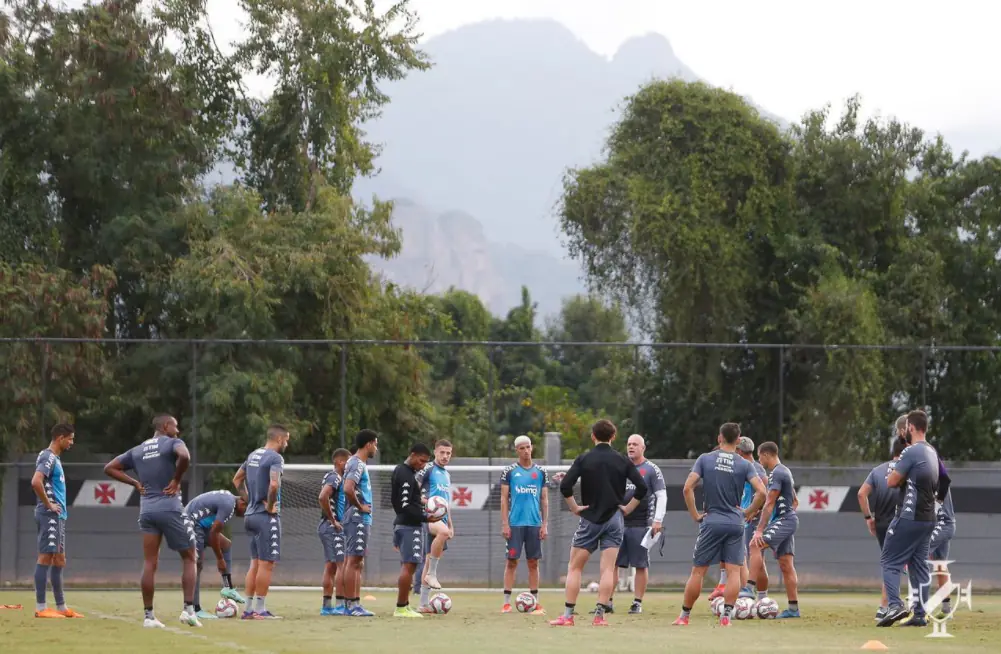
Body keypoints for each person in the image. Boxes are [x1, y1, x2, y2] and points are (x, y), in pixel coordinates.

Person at [549, 419, 648, 627]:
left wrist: (574, 507)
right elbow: (642, 487)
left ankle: (568, 615)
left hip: (590, 518)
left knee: (575, 567)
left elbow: (565, 485)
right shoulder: (622, 460)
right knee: (607, 569)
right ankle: (599, 616)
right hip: (615, 519)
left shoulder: (584, 459)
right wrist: (628, 508)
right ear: (613, 437)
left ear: (593, 436)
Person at [104, 414, 200, 628]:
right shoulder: (173, 442)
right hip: (170, 507)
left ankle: (148, 617)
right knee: (190, 556)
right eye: (175, 426)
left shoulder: (137, 450)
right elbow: (184, 456)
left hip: (147, 510)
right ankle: (189, 611)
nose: (178, 430)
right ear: (165, 426)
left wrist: (134, 483)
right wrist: (176, 479)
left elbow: (109, 467)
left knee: (150, 562)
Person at [673, 423, 766, 627]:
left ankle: (684, 616)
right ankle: (726, 617)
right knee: (734, 572)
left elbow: (688, 488)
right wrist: (747, 512)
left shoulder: (705, 459)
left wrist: (696, 514)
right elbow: (762, 492)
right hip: (735, 522)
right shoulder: (745, 464)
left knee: (698, 571)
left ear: (719, 438)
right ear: (739, 439)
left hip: (712, 520)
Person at [878, 409, 940, 627]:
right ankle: (920, 615)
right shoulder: (932, 451)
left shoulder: (911, 452)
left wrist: (896, 474)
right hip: (928, 518)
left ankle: (894, 605)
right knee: (919, 566)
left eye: (903, 429)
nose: (902, 432)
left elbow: (891, 481)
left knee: (889, 560)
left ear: (911, 428)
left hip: (909, 515)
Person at [232, 424, 289, 620]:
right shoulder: (275, 458)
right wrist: (270, 505)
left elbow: (237, 480)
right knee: (267, 564)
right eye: (286, 440)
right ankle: (260, 609)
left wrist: (250, 500)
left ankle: (248, 609)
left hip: (250, 516)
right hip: (266, 517)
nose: (287, 444)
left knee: (255, 564)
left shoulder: (253, 455)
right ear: (280, 439)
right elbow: (274, 484)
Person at [607, 434, 665, 615]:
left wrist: (658, 520)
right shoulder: (620, 466)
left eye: (635, 444)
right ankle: (607, 601)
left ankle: (637, 602)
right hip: (618, 522)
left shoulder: (651, 469)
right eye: (629, 444)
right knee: (612, 563)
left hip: (641, 523)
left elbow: (661, 495)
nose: (631, 447)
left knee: (640, 564)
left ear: (643, 448)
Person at [31, 424, 84, 619]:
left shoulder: (55, 459)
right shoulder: (48, 457)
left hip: (58, 517)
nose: (71, 443)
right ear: (60, 438)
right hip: (49, 515)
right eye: (70, 439)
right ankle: (40, 607)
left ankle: (61, 607)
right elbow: (36, 481)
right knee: (45, 557)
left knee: (60, 559)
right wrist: (49, 505)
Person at [858, 426, 907, 621]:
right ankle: (885, 605)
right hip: (902, 521)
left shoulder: (877, 471)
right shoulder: (907, 471)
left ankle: (889, 603)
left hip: (881, 523)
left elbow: (861, 494)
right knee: (897, 563)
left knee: (890, 562)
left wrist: (868, 518)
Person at [391, 443, 445, 618]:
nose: (422, 465)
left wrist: (422, 503)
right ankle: (400, 607)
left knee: (410, 565)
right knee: (409, 566)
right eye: (421, 461)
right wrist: (425, 517)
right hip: (408, 526)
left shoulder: (404, 472)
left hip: (404, 524)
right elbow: (405, 505)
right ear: (413, 455)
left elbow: (400, 502)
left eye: (425, 462)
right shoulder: (406, 474)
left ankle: (405, 606)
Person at [749, 441, 801, 618]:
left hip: (785, 520)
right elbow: (795, 501)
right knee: (786, 565)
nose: (759, 460)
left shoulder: (777, 473)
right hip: (787, 520)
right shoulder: (784, 471)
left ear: (766, 455)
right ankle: (793, 609)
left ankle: (748, 589)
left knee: (755, 544)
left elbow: (769, 503)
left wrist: (760, 529)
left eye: (760, 456)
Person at [500, 435, 549, 615]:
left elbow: (544, 499)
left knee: (533, 562)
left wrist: (545, 524)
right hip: (515, 524)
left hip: (534, 524)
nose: (526, 451)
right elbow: (504, 499)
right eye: (522, 448)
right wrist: (505, 524)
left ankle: (535, 601)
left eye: (528, 447)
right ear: (517, 450)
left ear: (532, 447)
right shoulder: (510, 472)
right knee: (512, 562)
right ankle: (506, 602)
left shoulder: (541, 472)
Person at [184, 489, 248, 619]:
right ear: (242, 502)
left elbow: (214, 531)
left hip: (201, 525)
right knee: (198, 564)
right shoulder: (229, 505)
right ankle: (194, 608)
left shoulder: (230, 502)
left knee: (226, 545)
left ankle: (228, 588)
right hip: (191, 522)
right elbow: (214, 533)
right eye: (247, 510)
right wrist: (219, 559)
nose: (246, 515)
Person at [341, 429, 379, 617]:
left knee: (356, 561)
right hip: (357, 518)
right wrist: (361, 506)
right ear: (369, 444)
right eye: (376, 444)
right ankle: (352, 604)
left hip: (357, 518)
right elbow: (348, 488)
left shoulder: (357, 463)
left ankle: (353, 603)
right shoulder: (357, 463)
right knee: (354, 561)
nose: (376, 448)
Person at [415, 439, 454, 612]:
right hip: (427, 517)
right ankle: (432, 574)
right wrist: (427, 502)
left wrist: (451, 524)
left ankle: (423, 605)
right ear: (435, 452)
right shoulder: (427, 468)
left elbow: (446, 503)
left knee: (429, 560)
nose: (445, 456)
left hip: (442, 519)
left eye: (448, 453)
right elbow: (412, 491)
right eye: (442, 452)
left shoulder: (447, 474)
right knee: (430, 564)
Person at [318, 448, 351, 616]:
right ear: (340, 462)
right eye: (348, 462)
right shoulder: (335, 477)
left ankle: (326, 606)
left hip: (327, 527)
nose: (350, 465)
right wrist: (333, 520)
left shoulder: (334, 477)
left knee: (331, 566)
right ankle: (339, 604)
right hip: (332, 527)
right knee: (341, 564)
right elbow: (323, 497)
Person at [736, 436, 768, 600]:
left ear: (740, 451)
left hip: (752, 520)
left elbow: (765, 489)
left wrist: (753, 511)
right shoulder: (747, 466)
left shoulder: (755, 468)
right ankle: (758, 595)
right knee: (750, 557)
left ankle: (758, 595)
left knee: (754, 557)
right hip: (745, 518)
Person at [929, 457, 956, 619]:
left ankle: (918, 604)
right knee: (940, 565)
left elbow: (945, 482)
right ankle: (946, 608)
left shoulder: (936, 477)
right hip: (944, 524)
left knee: (919, 554)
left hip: (943, 523)